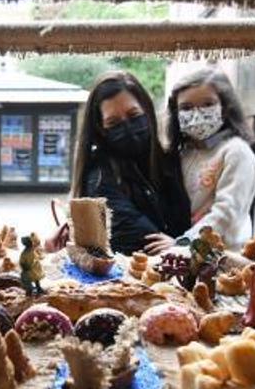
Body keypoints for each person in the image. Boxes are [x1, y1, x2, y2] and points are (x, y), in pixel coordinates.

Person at [68, 71, 190, 255]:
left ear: (147, 110)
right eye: (113, 122)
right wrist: (179, 248)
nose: (127, 128)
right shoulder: (99, 175)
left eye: (134, 115)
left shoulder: (169, 161)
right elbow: (138, 237)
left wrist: (182, 244)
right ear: (101, 129)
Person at [165, 68, 255, 247]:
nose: (197, 113)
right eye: (186, 107)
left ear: (225, 108)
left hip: (225, 257)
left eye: (208, 104)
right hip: (188, 256)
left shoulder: (237, 152)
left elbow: (226, 213)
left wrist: (182, 244)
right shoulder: (182, 154)